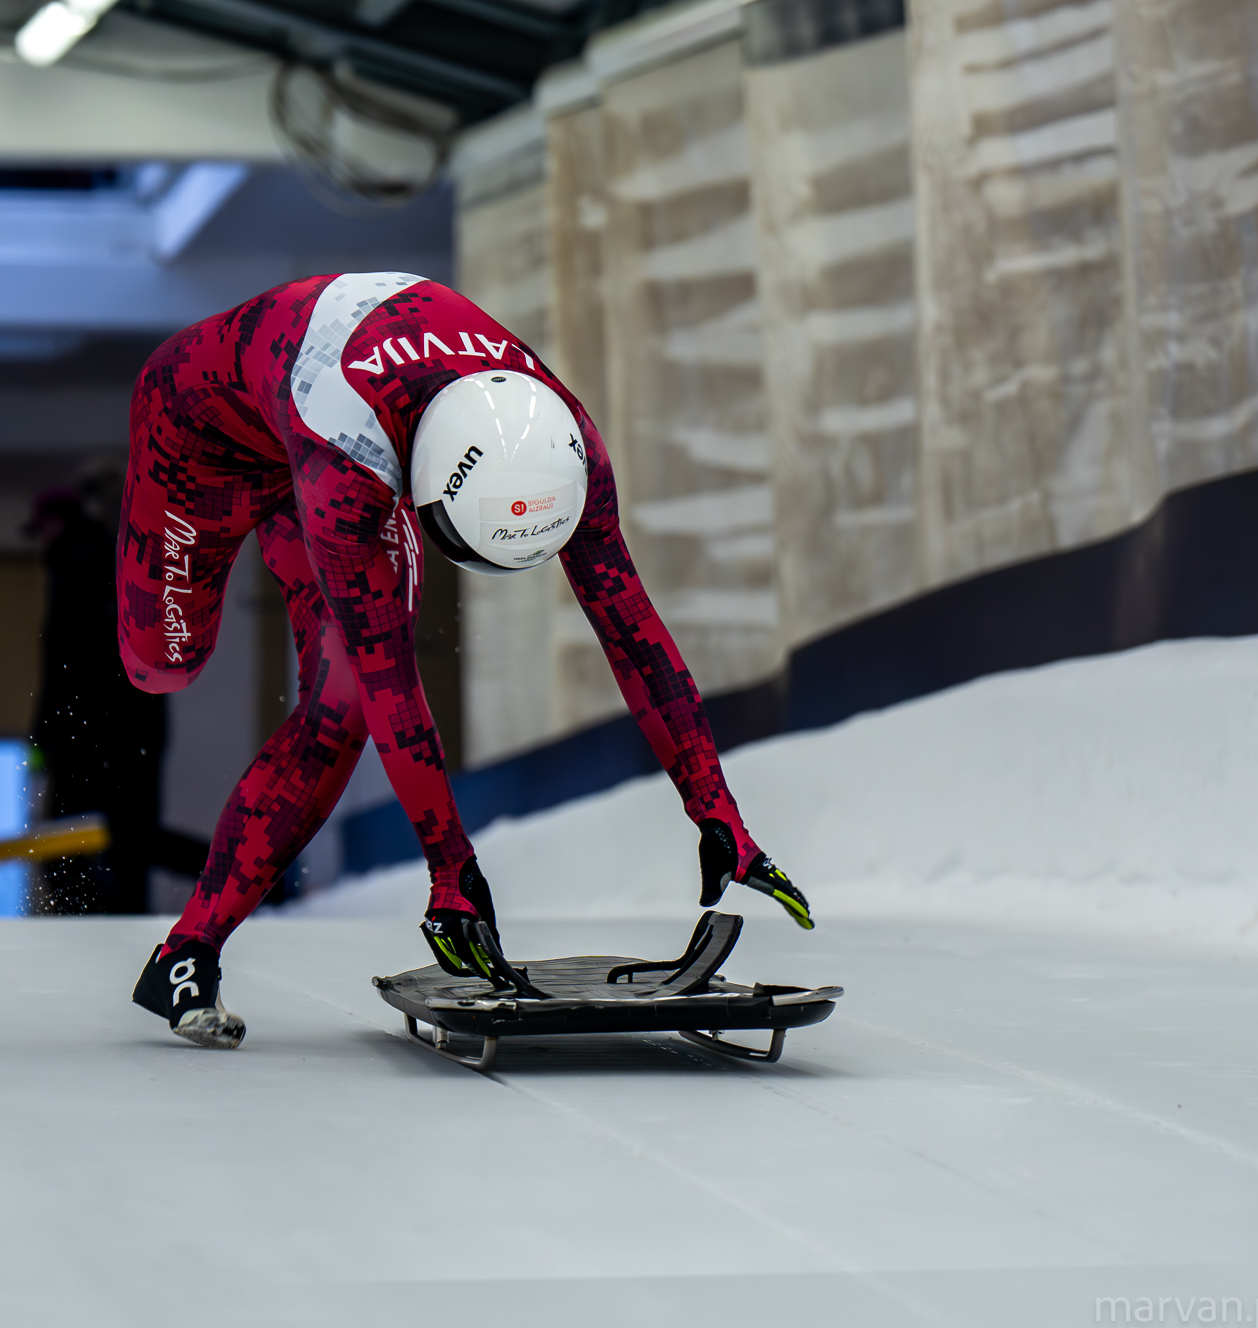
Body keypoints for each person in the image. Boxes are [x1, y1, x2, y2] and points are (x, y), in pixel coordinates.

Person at [123, 273, 811, 1049]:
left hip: (347, 428)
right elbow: (397, 681)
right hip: (204, 442)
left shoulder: (566, 444)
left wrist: (718, 811)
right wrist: (450, 868)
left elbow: (632, 628)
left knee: (340, 704)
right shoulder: (350, 463)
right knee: (164, 663)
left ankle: (184, 953)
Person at [25, 486, 207, 914]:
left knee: (73, 839)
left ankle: (85, 926)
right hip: (139, 726)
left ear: (53, 524)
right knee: (131, 839)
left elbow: (63, 664)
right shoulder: (121, 558)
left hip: (91, 731)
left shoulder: (74, 568)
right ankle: (249, 882)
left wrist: (42, 737)